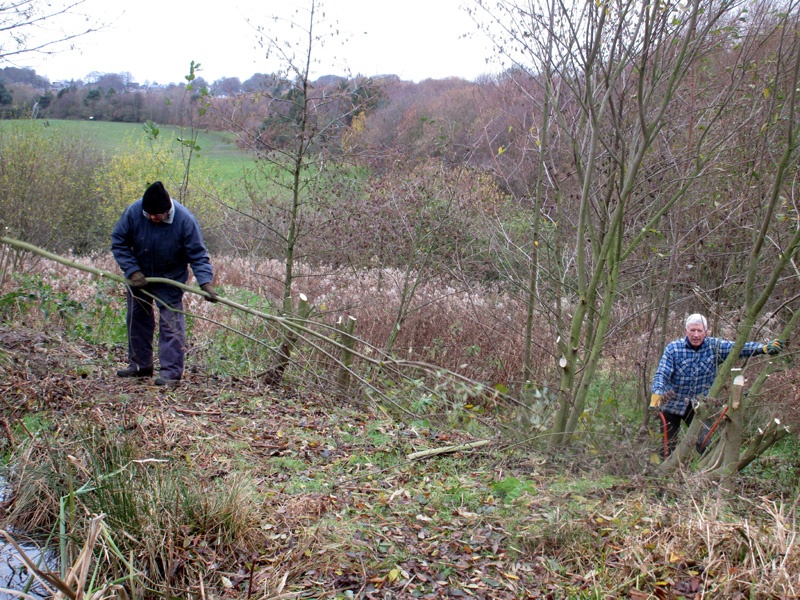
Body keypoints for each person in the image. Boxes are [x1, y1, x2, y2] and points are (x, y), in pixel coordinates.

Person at [111, 181, 218, 386]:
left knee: (171, 326)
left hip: (169, 279)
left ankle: (170, 374)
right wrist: (132, 271)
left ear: (167, 209)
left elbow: (197, 255)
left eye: (157, 215)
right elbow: (119, 242)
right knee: (137, 321)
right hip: (139, 278)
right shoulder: (134, 212)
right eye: (148, 214)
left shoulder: (185, 220)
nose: (152, 218)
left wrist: (205, 283)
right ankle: (140, 367)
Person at [650, 313, 784, 455]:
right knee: (665, 449)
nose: (696, 334)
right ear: (686, 331)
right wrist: (656, 396)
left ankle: (702, 473)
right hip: (672, 405)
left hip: (698, 407)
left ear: (706, 332)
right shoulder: (673, 349)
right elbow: (662, 374)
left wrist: (762, 348)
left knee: (705, 446)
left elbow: (739, 348)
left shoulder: (715, 347)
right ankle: (664, 473)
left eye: (699, 331)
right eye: (692, 330)